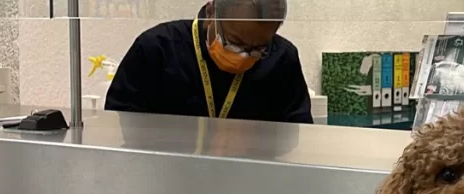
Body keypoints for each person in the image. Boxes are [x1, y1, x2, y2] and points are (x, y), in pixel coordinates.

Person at [104, 0, 313, 124]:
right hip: (167, 181)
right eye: (235, 43)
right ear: (212, 11)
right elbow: (120, 125)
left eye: (258, 49)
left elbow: (297, 134)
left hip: (250, 183)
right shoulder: (157, 48)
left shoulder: (283, 58)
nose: (244, 56)